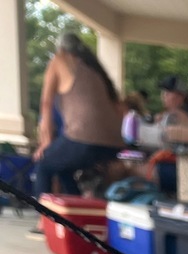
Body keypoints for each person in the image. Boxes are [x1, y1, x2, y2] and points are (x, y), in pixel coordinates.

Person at [32, 33, 124, 205]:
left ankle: (43, 220)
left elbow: (46, 104)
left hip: (84, 139)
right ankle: (74, 216)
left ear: (60, 49)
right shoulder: (95, 70)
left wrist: (46, 143)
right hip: (113, 144)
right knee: (63, 168)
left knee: (45, 163)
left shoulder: (59, 60)